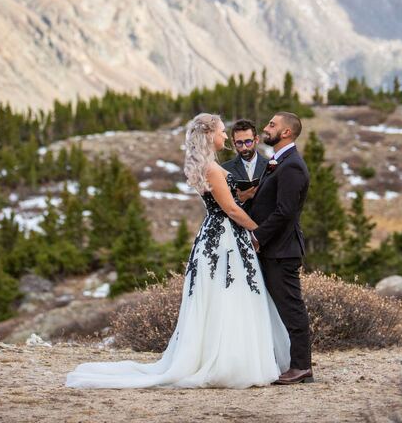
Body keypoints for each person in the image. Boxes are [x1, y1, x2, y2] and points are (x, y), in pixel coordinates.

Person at [65, 113, 290, 390]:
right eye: (221, 132)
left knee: (228, 295)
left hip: (218, 235)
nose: (224, 137)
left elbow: (228, 200)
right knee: (230, 295)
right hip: (224, 239)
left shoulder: (208, 166)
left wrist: (247, 195)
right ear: (209, 135)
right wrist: (261, 232)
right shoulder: (210, 168)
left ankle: (231, 355)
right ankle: (228, 361)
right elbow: (230, 210)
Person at [249, 111, 313, 385]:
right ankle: (284, 360)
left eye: (272, 125)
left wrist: (257, 236)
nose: (266, 127)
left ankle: (301, 366)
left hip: (282, 251)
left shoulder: (293, 166)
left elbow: (285, 211)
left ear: (286, 132)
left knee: (291, 307)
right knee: (278, 308)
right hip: (273, 249)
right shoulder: (279, 162)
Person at [221, 119, 268, 206]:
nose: (244, 147)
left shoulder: (270, 166)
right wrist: (239, 199)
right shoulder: (224, 169)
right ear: (233, 142)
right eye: (239, 143)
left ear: (256, 139)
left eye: (248, 142)